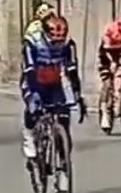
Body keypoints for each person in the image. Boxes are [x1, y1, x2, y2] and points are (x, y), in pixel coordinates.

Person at [21, 12, 85, 160]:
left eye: (60, 41)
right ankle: (29, 135)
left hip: (54, 82)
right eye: (53, 41)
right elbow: (29, 69)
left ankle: (63, 163)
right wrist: (34, 95)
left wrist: (77, 95)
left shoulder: (68, 44)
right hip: (34, 80)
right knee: (34, 107)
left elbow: (72, 70)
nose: (57, 44)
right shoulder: (32, 42)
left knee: (63, 116)